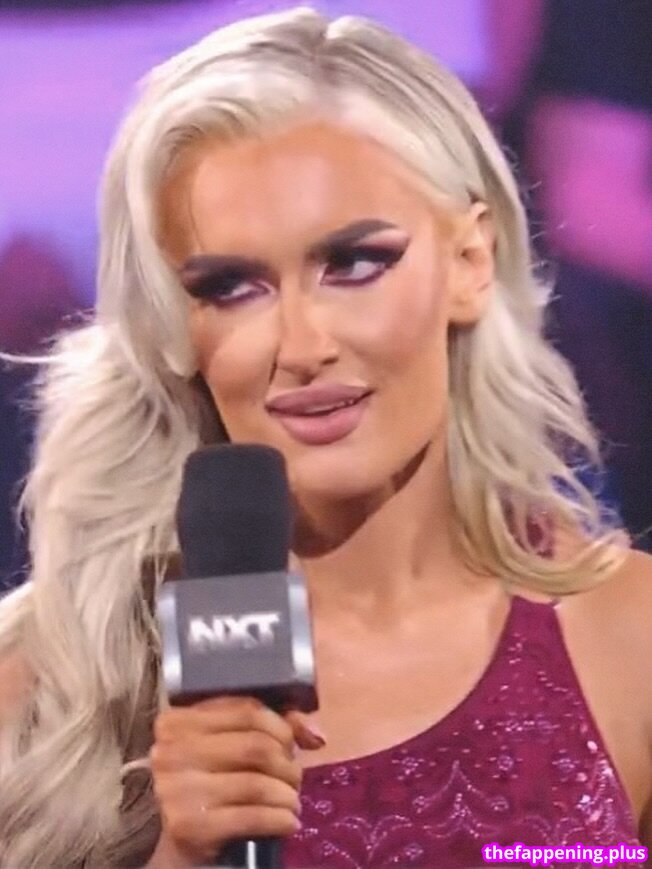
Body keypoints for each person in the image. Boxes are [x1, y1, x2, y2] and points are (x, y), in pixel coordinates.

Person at [0, 6, 651, 867]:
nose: (303, 345)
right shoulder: (51, 682)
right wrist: (181, 855)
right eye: (232, 286)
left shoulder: (627, 634)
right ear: (174, 327)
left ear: (469, 262)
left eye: (354, 263)